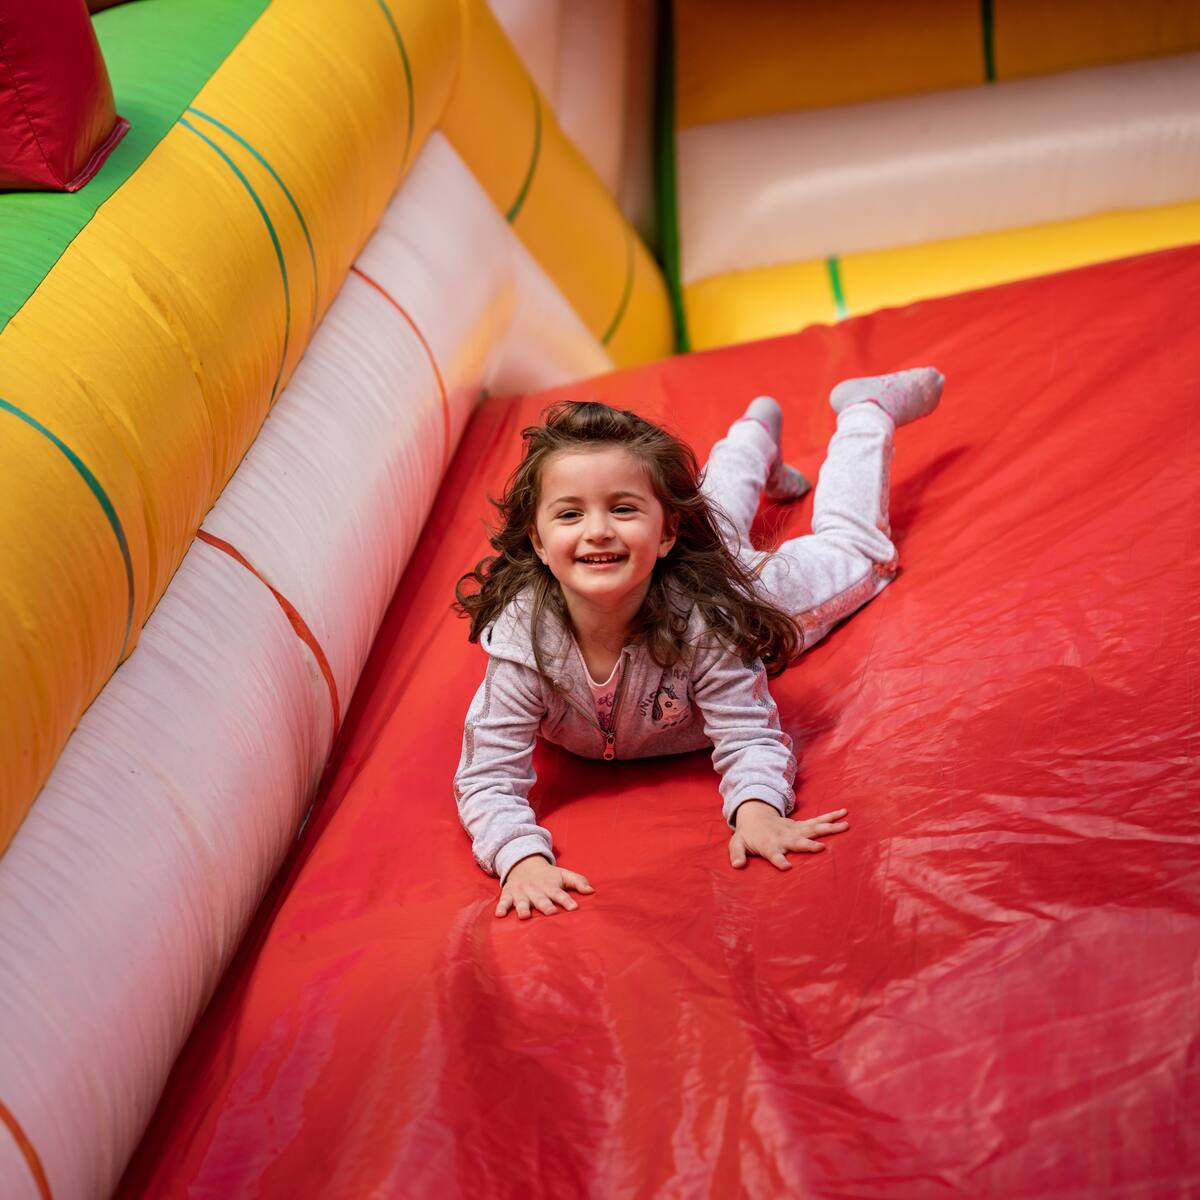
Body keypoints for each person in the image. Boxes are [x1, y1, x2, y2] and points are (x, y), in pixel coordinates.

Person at [454, 368, 943, 919]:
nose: (597, 531)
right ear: (539, 541)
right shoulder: (526, 646)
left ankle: (865, 411)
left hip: (741, 592)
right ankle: (753, 435)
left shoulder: (707, 623)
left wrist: (757, 810)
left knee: (859, 555)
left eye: (621, 509)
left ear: (667, 535)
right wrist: (520, 859)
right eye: (570, 513)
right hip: (672, 563)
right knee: (703, 520)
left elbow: (748, 732)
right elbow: (487, 777)